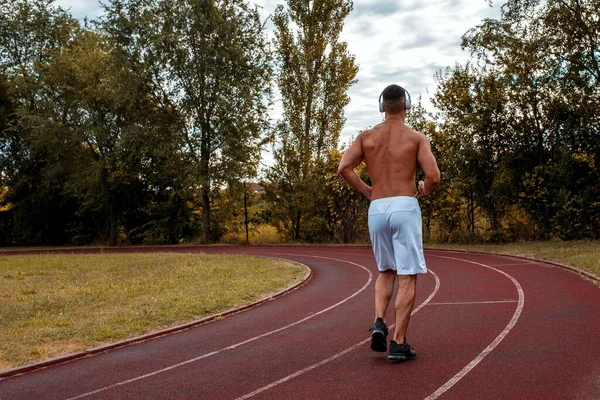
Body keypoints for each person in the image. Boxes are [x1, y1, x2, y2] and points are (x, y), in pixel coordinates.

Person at [337, 84, 440, 362]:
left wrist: (367, 190)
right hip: (405, 205)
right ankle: (399, 342)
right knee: (407, 274)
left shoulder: (366, 137)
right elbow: (434, 176)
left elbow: (343, 168)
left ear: (382, 107)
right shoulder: (417, 138)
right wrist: (423, 188)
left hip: (378, 207)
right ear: (406, 105)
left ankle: (380, 321)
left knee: (386, 270)